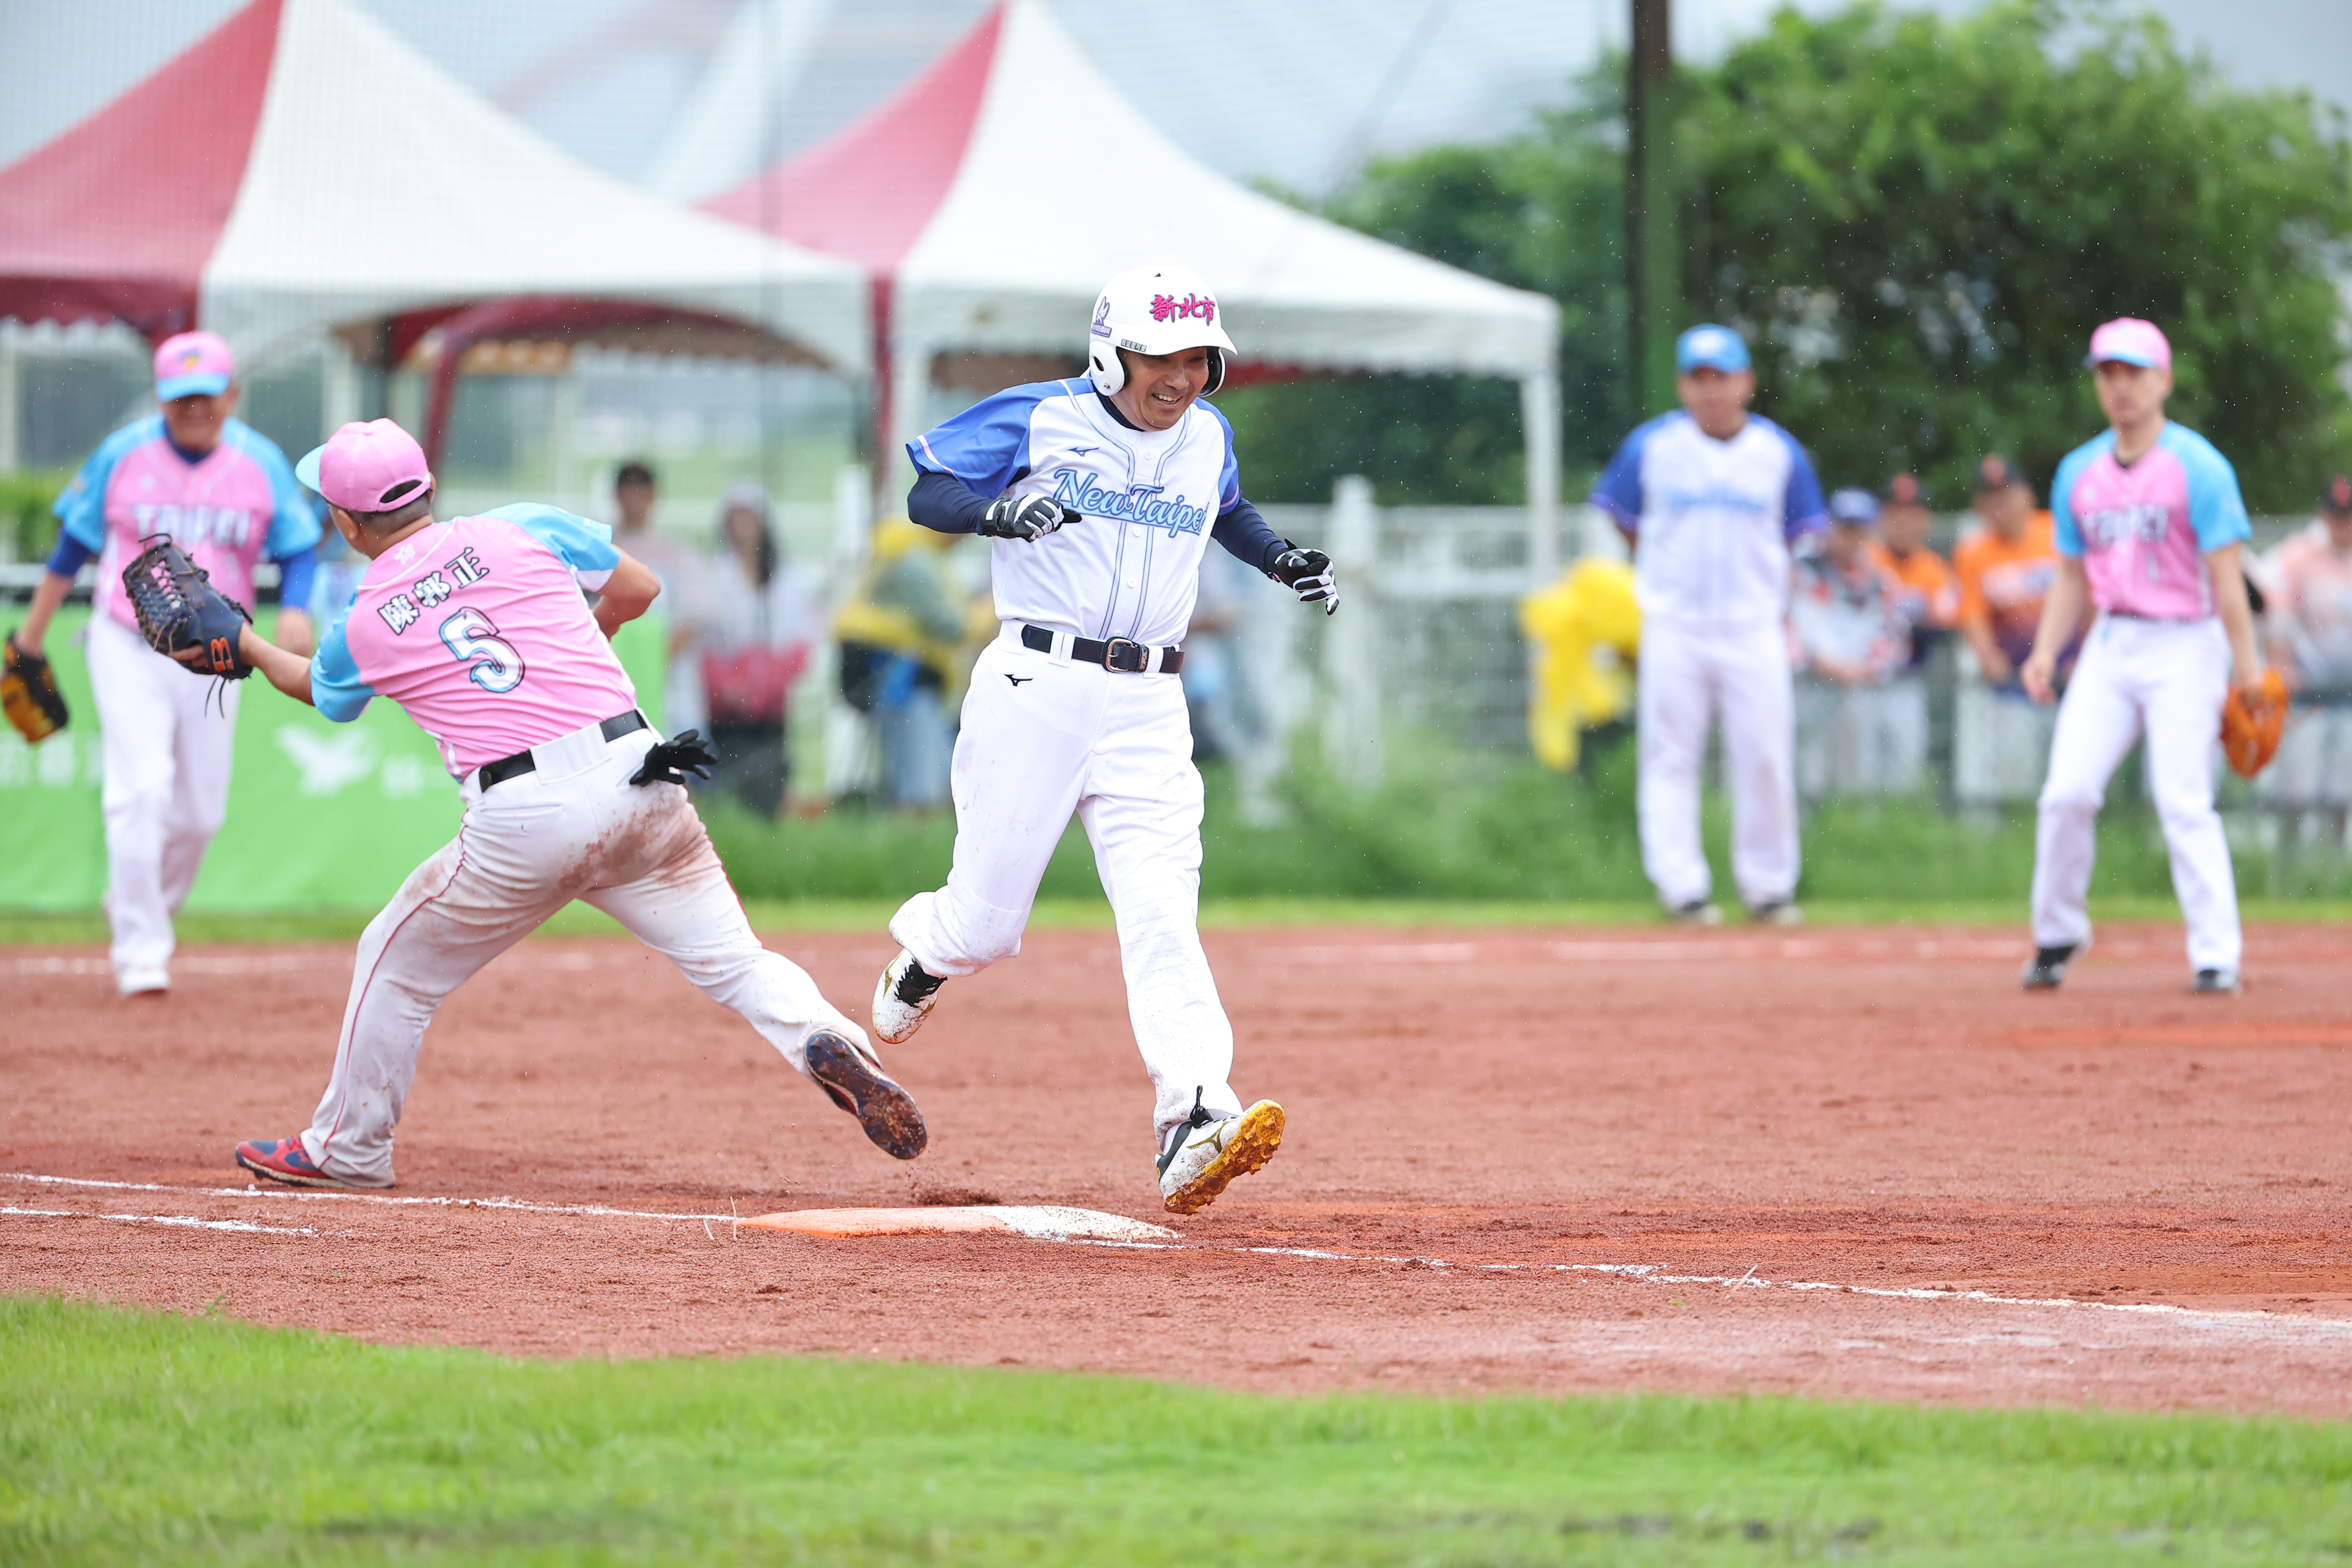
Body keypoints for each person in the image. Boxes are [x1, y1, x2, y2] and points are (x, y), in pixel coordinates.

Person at [226, 418, 913, 1189]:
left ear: (347, 523)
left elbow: (319, 695)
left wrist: (243, 643)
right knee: (735, 962)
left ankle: (349, 1150)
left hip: (527, 812)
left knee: (396, 969)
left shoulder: (364, 618)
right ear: (426, 490)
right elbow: (639, 588)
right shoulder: (520, 525)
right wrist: (588, 636)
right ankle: (827, 1033)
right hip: (641, 771)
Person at [867, 264, 1338, 1214]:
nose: (1183, 375)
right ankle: (929, 947)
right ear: (1109, 351)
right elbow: (929, 492)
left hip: (1150, 705)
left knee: (1163, 909)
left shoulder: (1207, 435)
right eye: (1160, 356)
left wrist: (1281, 558)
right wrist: (995, 508)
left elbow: (1226, 511)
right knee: (989, 926)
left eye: (1200, 357)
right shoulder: (1042, 418)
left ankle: (1193, 1113)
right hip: (1038, 681)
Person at [7, 330, 319, 996]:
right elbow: (71, 551)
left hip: (216, 656)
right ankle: (141, 952)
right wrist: (31, 641)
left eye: (207, 396)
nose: (195, 409)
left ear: (233, 395)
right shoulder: (124, 454)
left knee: (201, 813)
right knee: (140, 789)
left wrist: (296, 607)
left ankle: (137, 905)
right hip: (128, 644)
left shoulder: (259, 462)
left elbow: (300, 546)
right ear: (160, 397)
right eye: (181, 398)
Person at [2018, 319, 2265, 995]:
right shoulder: (2080, 471)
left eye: (2133, 372)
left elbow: (2227, 579)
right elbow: (2072, 575)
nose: (2120, 386)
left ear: (2164, 380)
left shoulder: (2200, 467)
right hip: (2111, 643)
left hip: (2188, 641)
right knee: (2066, 792)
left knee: (2183, 798)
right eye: (2108, 373)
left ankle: (2217, 955)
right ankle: (2058, 933)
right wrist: (2046, 653)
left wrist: (2247, 669)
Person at [1591, 323, 1826, 925]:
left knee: (1766, 755)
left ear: (1746, 382)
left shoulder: (1778, 453)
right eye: (1699, 379)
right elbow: (1622, 519)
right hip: (1676, 624)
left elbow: (1804, 534)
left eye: (1722, 377)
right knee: (1671, 756)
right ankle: (1682, 887)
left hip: (1754, 625)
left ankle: (1768, 886)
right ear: (1682, 386)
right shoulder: (1654, 447)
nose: (1712, 390)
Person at [683, 483, 818, 816]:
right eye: (736, 520)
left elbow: (803, 638)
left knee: (770, 771)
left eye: (749, 519)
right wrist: (725, 683)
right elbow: (703, 638)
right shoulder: (714, 575)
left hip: (771, 707)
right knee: (731, 777)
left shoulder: (786, 578)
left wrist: (771, 678)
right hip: (726, 709)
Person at [1950, 455, 2068, 806]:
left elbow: (2089, 595)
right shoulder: (1973, 552)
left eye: (2006, 493)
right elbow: (1971, 613)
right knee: (2018, 774)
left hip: (2069, 671)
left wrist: (2082, 655)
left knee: (2071, 769)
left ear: (2027, 495)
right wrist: (1988, 658)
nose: (1998, 504)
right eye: (1989, 497)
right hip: (2014, 680)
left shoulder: (2058, 532)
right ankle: (2018, 840)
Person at [1788, 488, 1915, 796]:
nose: (1851, 536)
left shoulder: (1880, 581)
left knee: (1856, 772)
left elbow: (1896, 636)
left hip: (1859, 689)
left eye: (1859, 529)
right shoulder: (1798, 570)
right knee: (1800, 769)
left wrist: (1865, 669)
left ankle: (1851, 830)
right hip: (1804, 685)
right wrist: (1817, 661)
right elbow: (1780, 624)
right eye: (1845, 528)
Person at [833, 519, 965, 810]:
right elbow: (950, 625)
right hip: (907, 684)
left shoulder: (904, 551)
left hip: (895, 681)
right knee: (920, 785)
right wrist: (985, 616)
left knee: (911, 774)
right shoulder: (916, 561)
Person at [2255, 474, 2352, 843]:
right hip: (2307, 690)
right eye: (2337, 515)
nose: (2343, 524)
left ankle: (2330, 876)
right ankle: (2290, 874)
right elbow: (2278, 608)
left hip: (2349, 691)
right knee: (2296, 791)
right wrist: (2281, 661)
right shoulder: (2300, 555)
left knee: (2342, 793)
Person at [608, 460, 708, 741]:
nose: (635, 501)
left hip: (667, 676)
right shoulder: (601, 549)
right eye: (629, 492)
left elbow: (692, 618)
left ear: (653, 497)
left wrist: (651, 661)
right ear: (617, 496)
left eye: (641, 492)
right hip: (612, 672)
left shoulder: (677, 554)